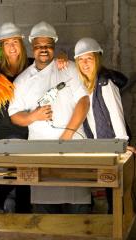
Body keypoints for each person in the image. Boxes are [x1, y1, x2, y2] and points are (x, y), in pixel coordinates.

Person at [8, 21, 91, 213]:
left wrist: (68, 134)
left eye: (47, 46)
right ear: (32, 47)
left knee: (79, 209)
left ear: (54, 46)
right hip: (41, 152)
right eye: (38, 46)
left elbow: (84, 101)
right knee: (44, 214)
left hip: (73, 148)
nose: (43, 50)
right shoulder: (22, 81)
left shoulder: (68, 68)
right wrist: (33, 117)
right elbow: (14, 114)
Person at [74, 37, 130, 213]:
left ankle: (119, 225)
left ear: (97, 59)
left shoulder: (105, 83)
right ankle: (110, 220)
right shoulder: (83, 85)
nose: (85, 63)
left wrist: (123, 145)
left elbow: (116, 114)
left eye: (89, 58)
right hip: (98, 145)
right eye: (81, 59)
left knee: (117, 190)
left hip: (113, 143)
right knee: (106, 187)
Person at [0, 22, 31, 213]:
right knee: (21, 167)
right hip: (2, 127)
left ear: (21, 43)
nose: (12, 47)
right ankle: (20, 211)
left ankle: (0, 203)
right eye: (6, 43)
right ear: (1, 48)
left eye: (15, 42)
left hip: (25, 125)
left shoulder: (32, 65)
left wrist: (61, 58)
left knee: (23, 168)